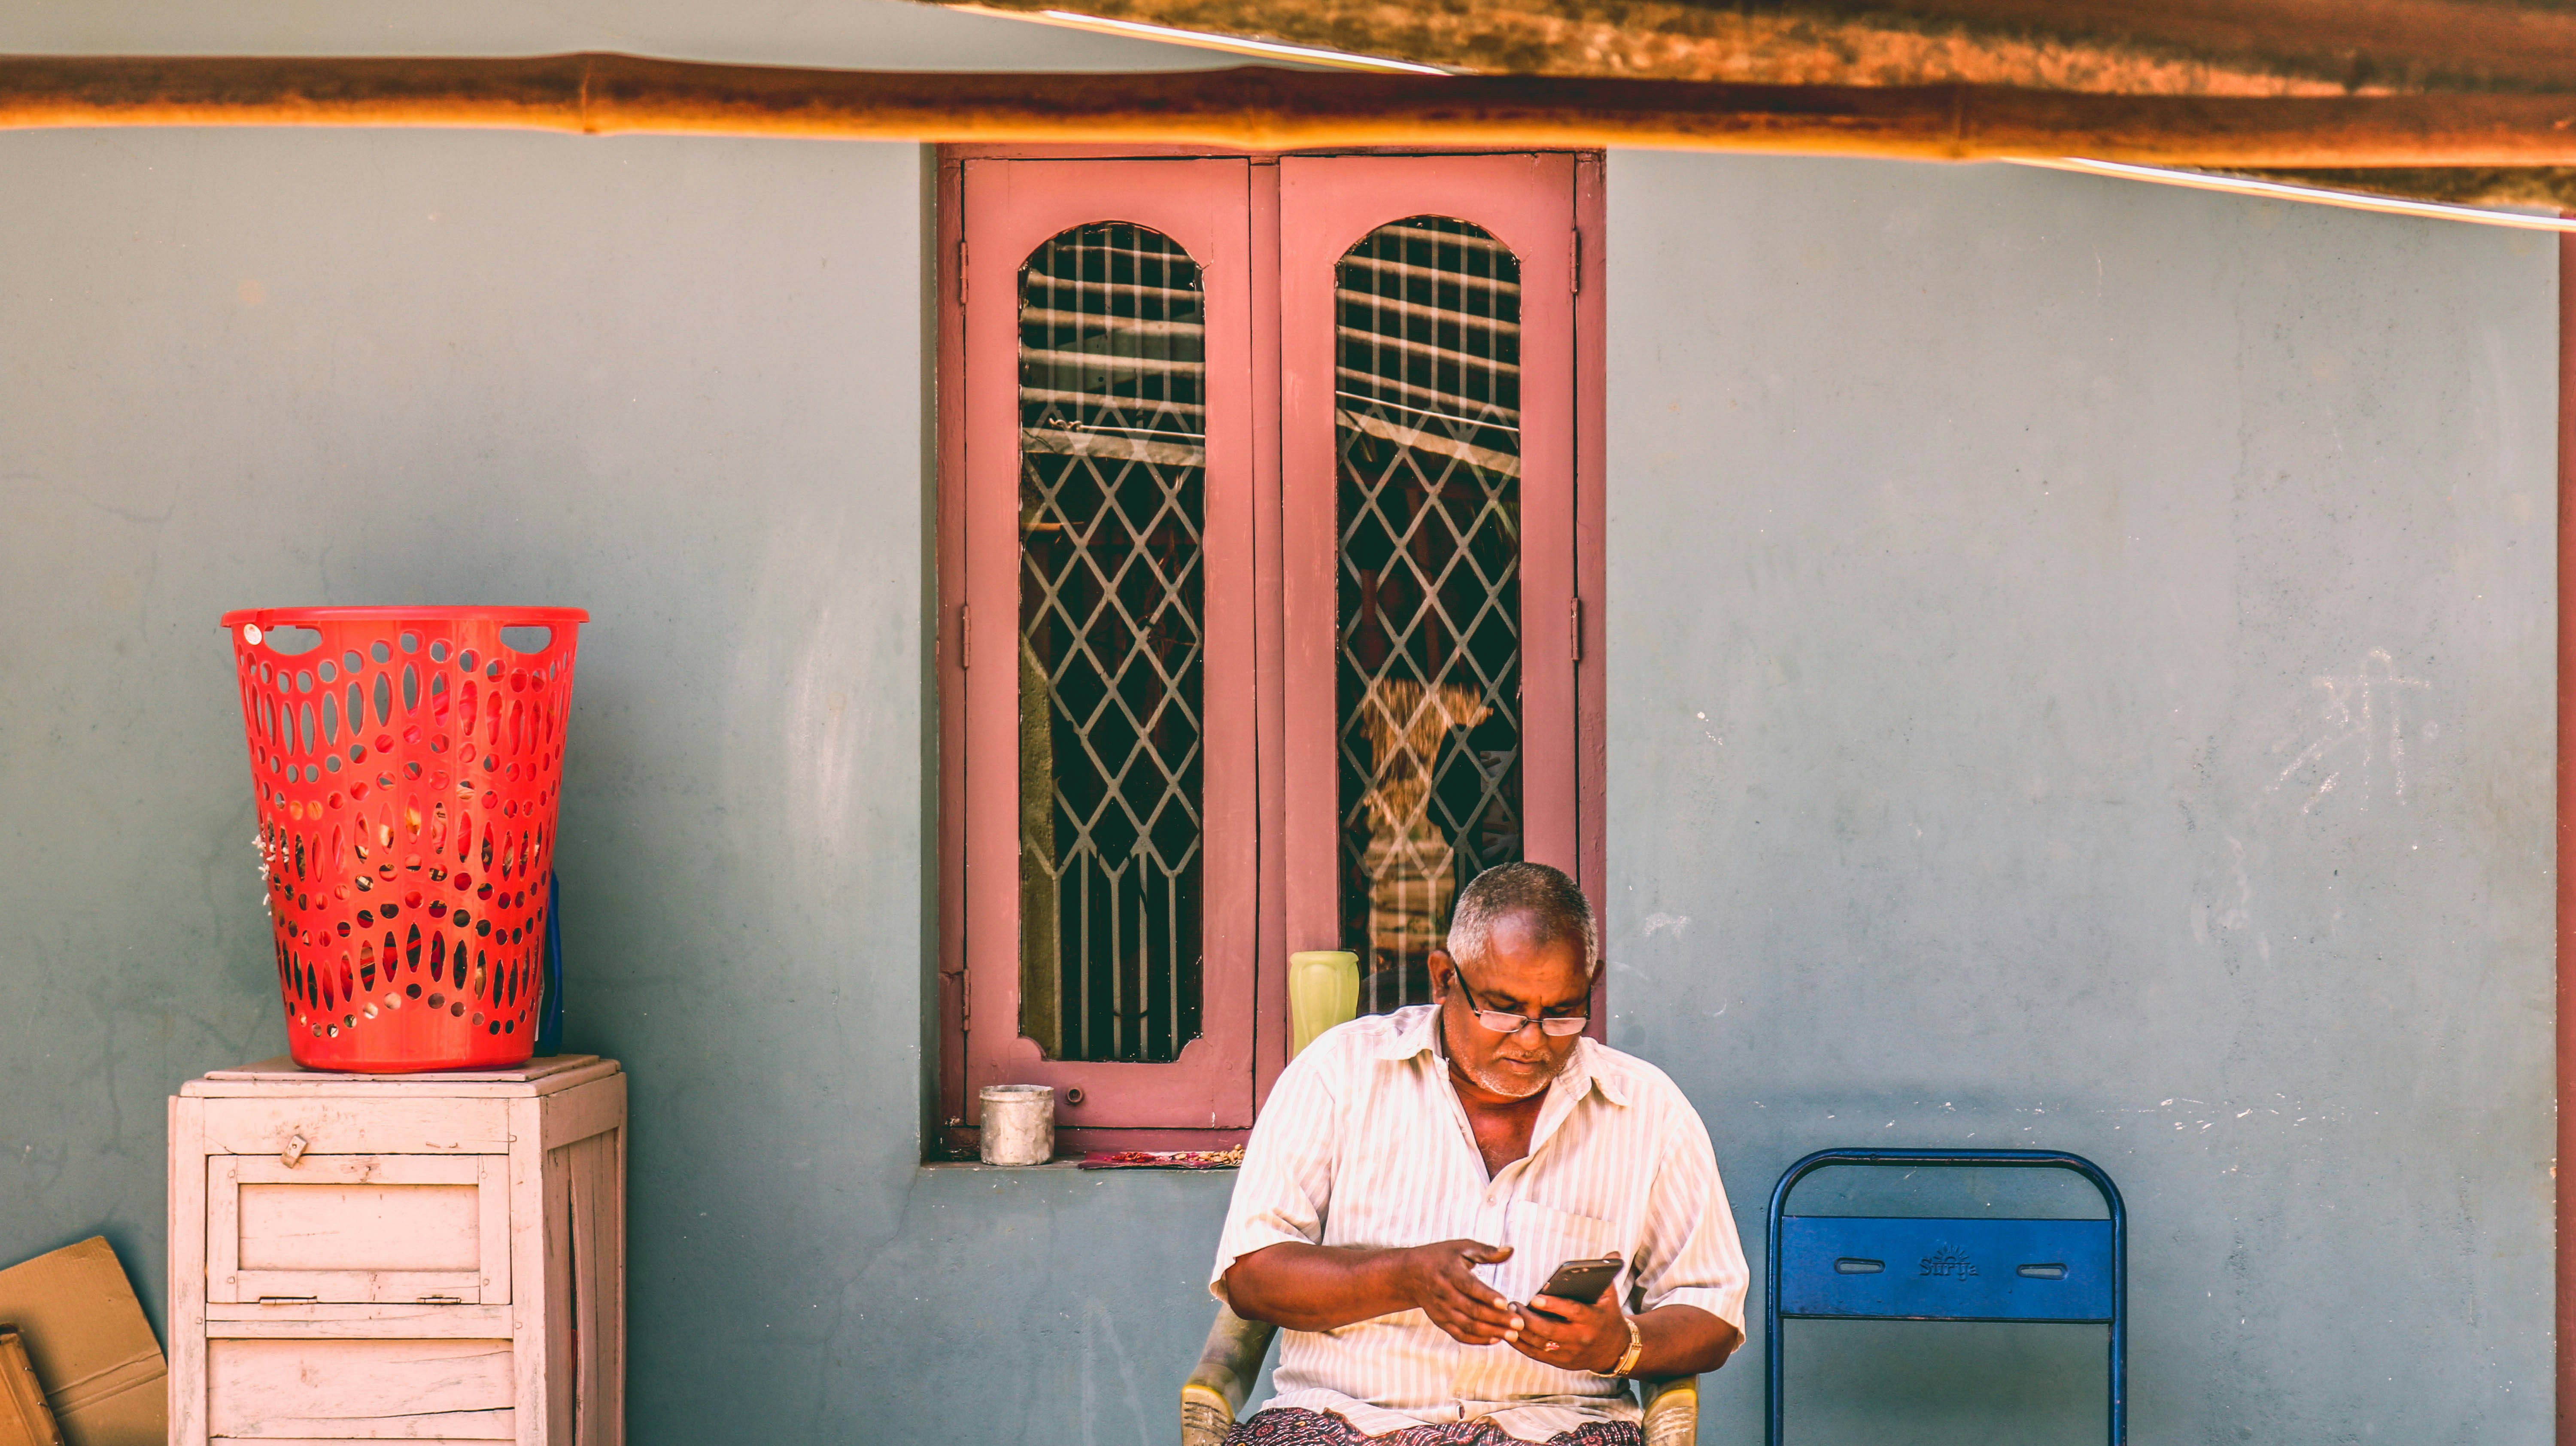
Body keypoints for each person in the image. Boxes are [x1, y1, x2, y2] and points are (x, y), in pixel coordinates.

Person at [1211, 862, 1747, 1446]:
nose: (1532, 1039)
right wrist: (1404, 1277)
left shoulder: (1649, 1110)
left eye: (1562, 1011)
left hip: (1560, 1429)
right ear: (1444, 980)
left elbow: (1711, 1312)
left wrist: (1623, 1346)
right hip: (1343, 1423)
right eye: (1503, 1007)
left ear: (1591, 984)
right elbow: (1252, 1277)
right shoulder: (1338, 1075)